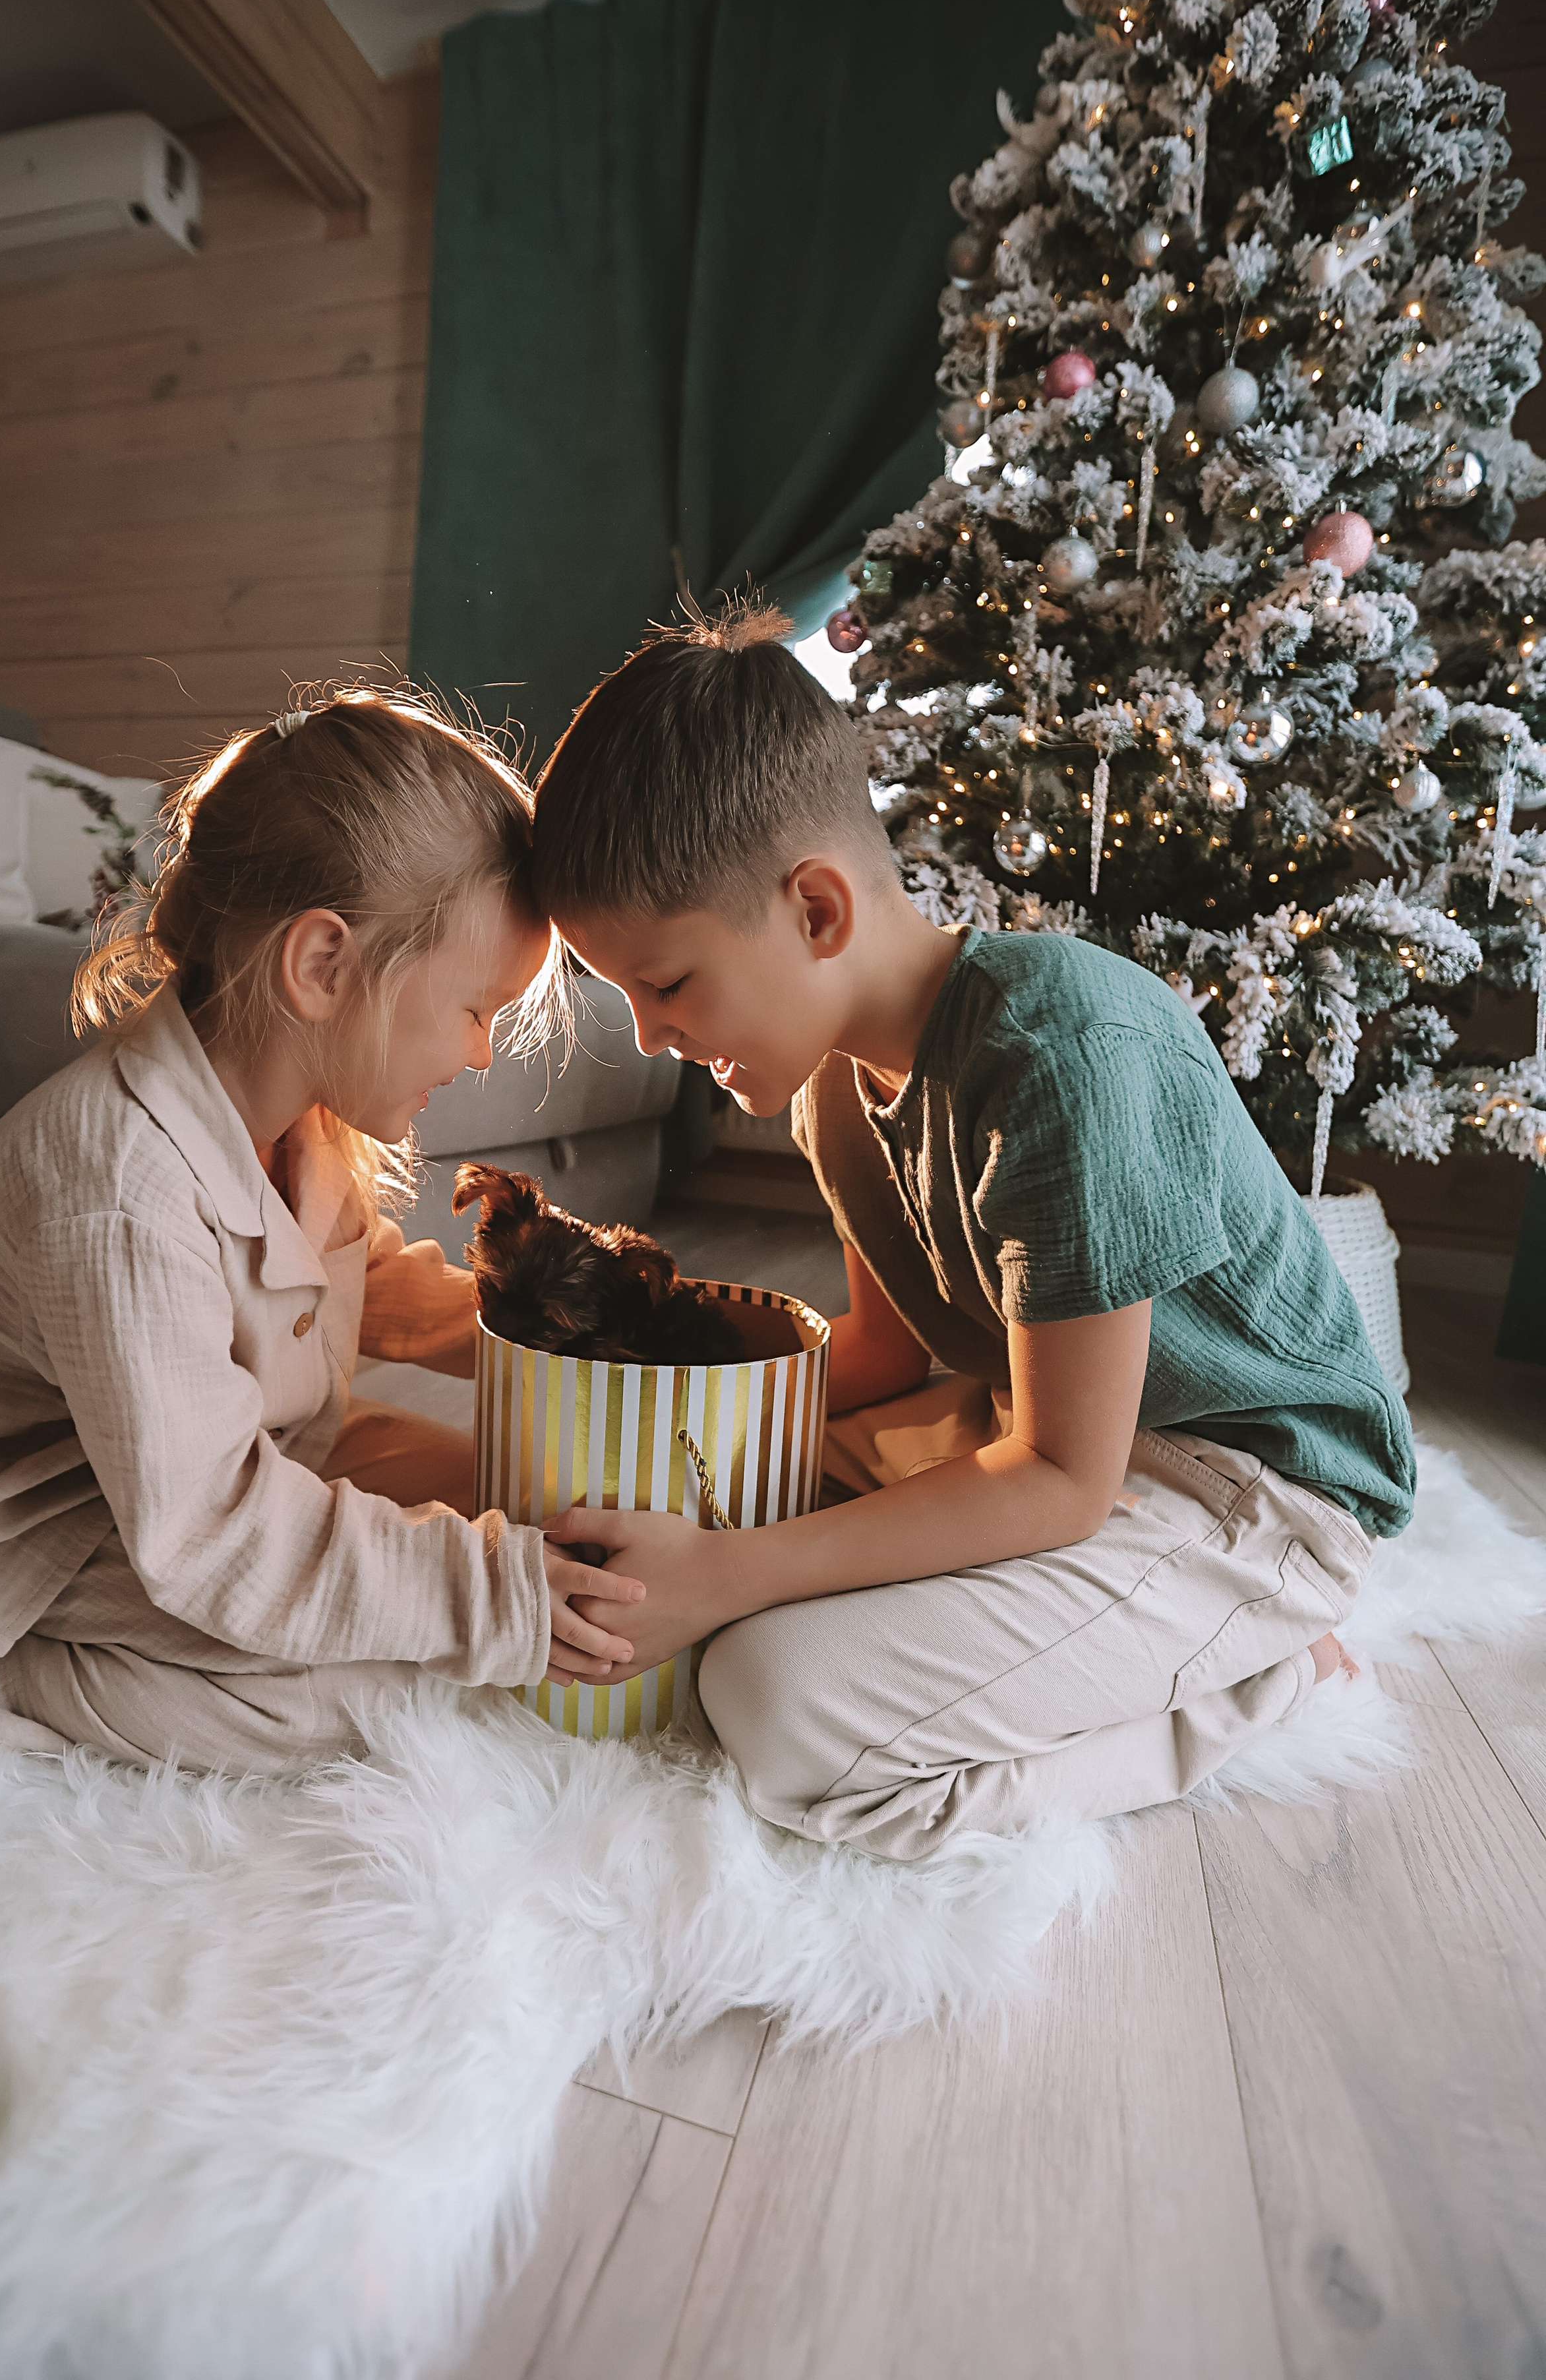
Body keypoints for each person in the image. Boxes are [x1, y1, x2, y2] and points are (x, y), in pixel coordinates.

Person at [527, 607, 1413, 1858]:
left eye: (665, 984)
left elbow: (1062, 1479)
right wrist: (667, 1444)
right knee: (717, 1535)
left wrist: (733, 1572)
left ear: (817, 912)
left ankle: (1256, 1677)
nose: (650, 1036)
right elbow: (885, 1363)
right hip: (1062, 1452)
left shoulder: (1062, 1056)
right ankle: (1149, 1640)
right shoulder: (837, 1091)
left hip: (1251, 1488)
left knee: (773, 1696)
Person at [0, 688, 643, 1774]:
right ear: (321, 967)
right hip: (20, 1534)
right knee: (340, 1698)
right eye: (476, 1010)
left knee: (507, 1502)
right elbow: (214, 1532)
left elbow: (365, 1282)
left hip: (186, 1469)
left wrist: (562, 1329)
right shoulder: (119, 1188)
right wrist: (483, 1592)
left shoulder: (297, 1126)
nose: (481, 1056)